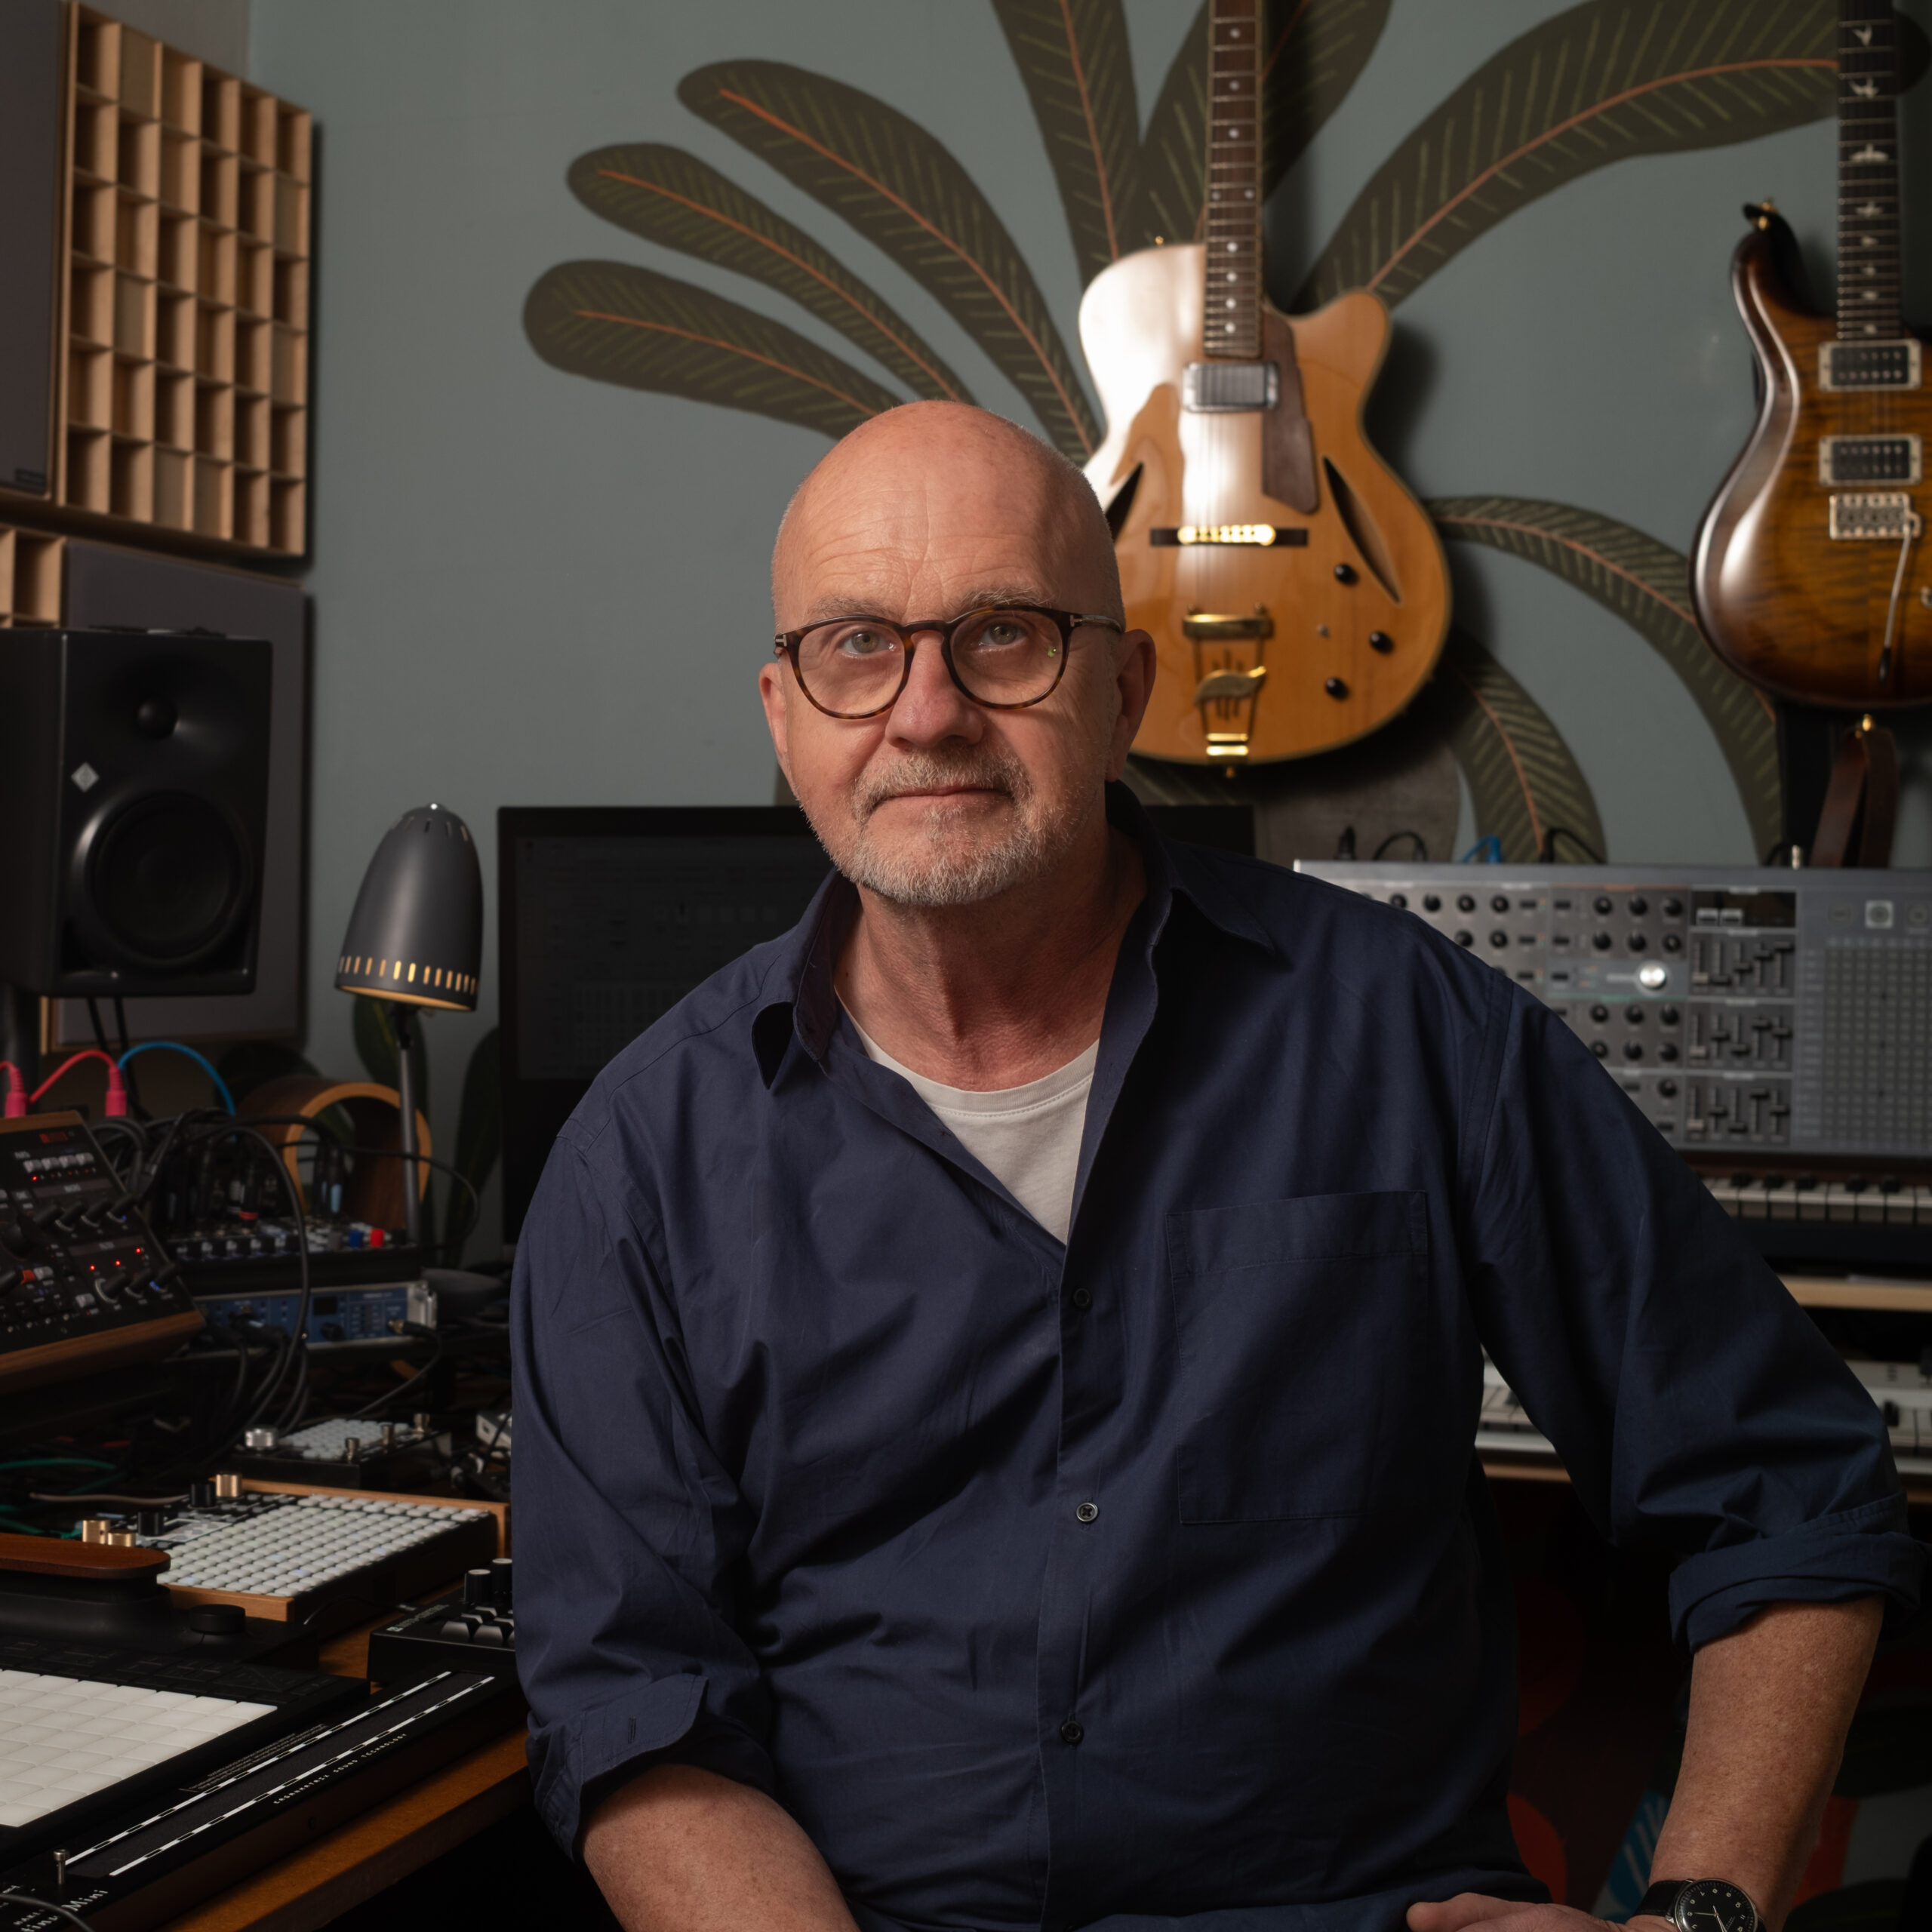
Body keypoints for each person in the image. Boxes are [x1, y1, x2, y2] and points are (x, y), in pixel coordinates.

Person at [510, 402, 1921, 1932]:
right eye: (858, 647)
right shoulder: (639, 1164)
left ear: (1123, 690)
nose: (927, 713)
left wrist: (1697, 1918)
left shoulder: (1413, 1032)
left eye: (1002, 635)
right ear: (784, 716)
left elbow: (1785, 1481)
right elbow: (639, 1713)